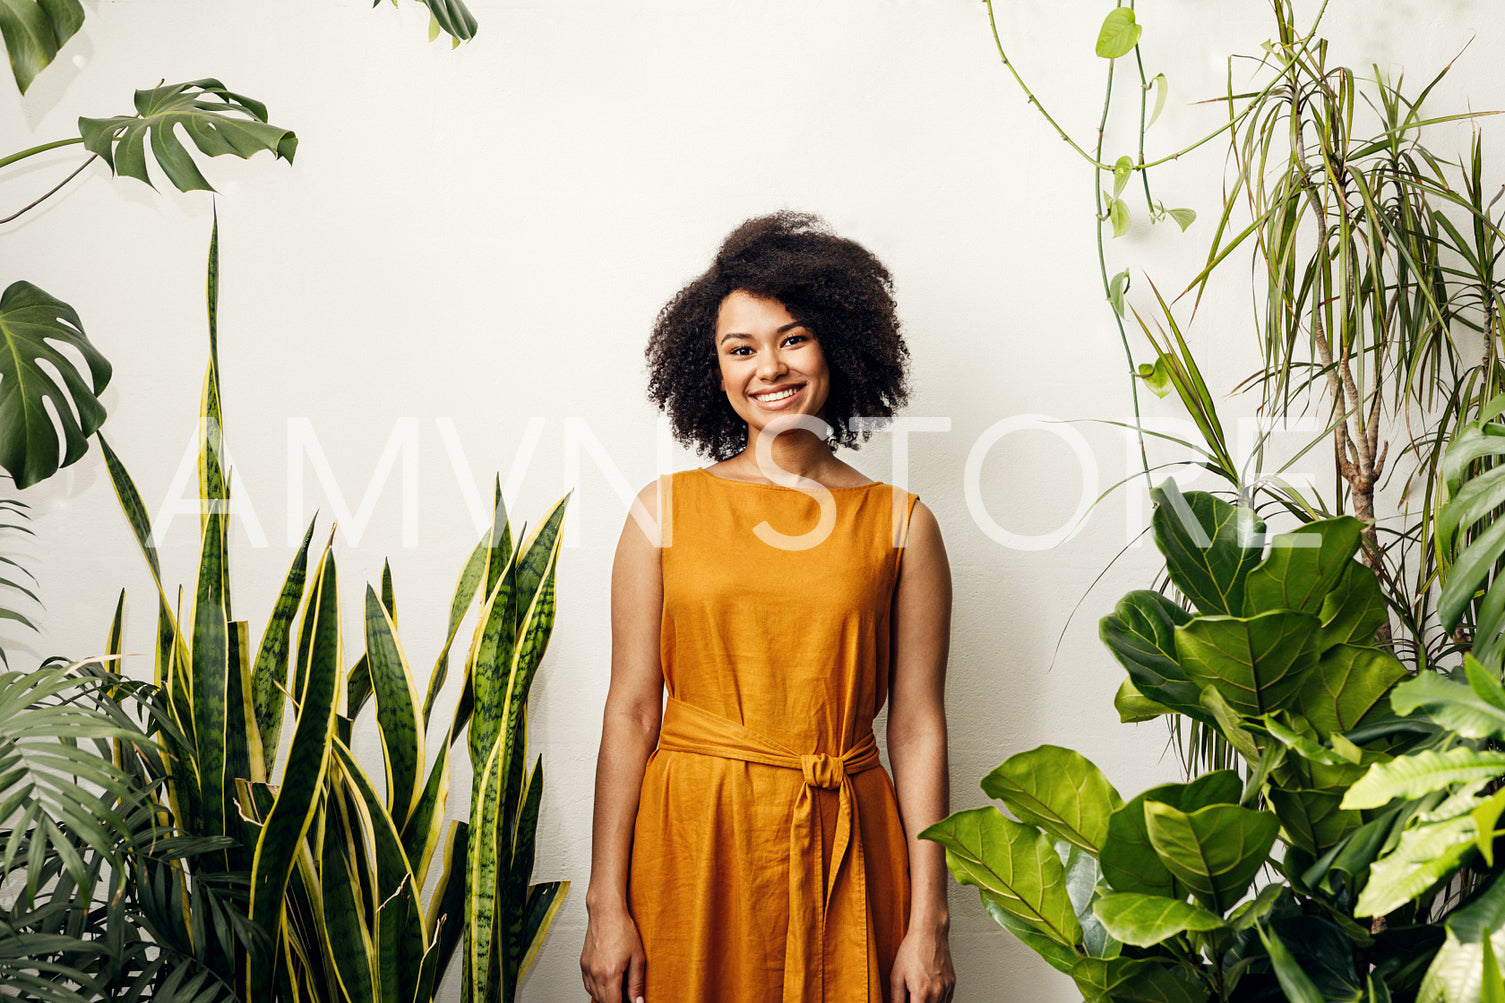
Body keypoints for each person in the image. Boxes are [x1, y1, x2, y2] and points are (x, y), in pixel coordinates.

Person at [580, 212, 955, 1003]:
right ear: (710, 368)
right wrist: (603, 901)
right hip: (693, 839)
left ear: (838, 346)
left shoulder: (901, 523)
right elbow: (631, 711)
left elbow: (917, 725)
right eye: (740, 348)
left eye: (792, 338)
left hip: (845, 838)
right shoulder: (662, 511)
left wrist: (929, 921)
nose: (768, 367)